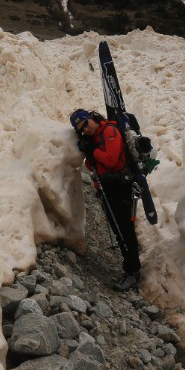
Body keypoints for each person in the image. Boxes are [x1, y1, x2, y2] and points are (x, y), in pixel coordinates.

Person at [70, 108, 141, 291]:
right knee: (119, 230)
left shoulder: (109, 131)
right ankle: (131, 268)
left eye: (85, 124)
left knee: (125, 229)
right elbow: (90, 165)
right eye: (81, 129)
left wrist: (92, 150)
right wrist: (90, 151)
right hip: (108, 189)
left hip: (121, 187)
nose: (85, 129)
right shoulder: (94, 138)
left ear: (92, 118)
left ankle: (133, 271)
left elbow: (110, 159)